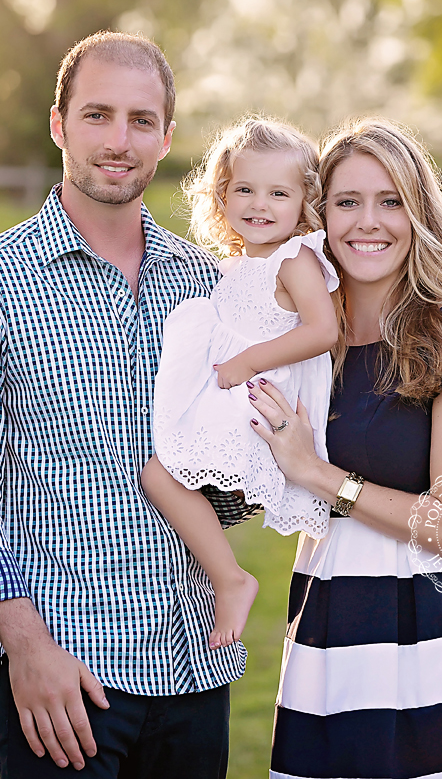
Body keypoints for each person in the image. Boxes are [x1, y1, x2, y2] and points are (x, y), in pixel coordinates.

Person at [0, 31, 254, 779]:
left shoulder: (203, 282)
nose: (119, 140)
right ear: (59, 124)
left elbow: (222, 491)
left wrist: (264, 461)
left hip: (194, 661)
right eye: (97, 115)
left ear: (167, 137)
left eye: (141, 121)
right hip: (67, 674)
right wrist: (25, 645)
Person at [249, 117, 442, 778]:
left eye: (391, 202)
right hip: (332, 603)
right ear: (319, 215)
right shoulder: (304, 340)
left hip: (434, 618)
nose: (368, 222)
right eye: (348, 202)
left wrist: (316, 473)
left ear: (419, 214)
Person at [142, 118, 339, 650]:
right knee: (163, 472)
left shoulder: (293, 258)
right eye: (244, 190)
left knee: (159, 473)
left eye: (279, 193)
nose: (260, 204)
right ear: (222, 195)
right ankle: (221, 575)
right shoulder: (235, 262)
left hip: (258, 394)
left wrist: (249, 361)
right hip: (232, 386)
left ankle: (230, 579)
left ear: (304, 203)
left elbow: (323, 330)